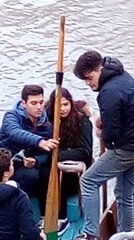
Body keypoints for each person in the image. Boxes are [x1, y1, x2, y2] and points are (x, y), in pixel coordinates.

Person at [73, 51, 134, 240]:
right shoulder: (123, 76)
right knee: (124, 193)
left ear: (99, 69)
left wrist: (102, 133)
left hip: (128, 148)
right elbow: (122, 111)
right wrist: (107, 119)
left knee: (88, 181)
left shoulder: (108, 92)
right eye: (84, 80)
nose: (88, 83)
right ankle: (125, 235)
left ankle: (91, 234)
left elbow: (112, 134)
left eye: (89, 78)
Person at [0, 84, 59, 212]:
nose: (39, 107)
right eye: (34, 103)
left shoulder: (47, 126)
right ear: (24, 103)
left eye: (41, 102)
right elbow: (15, 132)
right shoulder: (11, 116)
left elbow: (46, 153)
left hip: (23, 164)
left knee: (32, 175)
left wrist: (36, 160)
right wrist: (39, 141)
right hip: (2, 160)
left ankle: (22, 208)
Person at [44, 88, 93, 221]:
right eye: (58, 105)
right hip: (53, 161)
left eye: (65, 104)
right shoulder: (48, 120)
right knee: (42, 174)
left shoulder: (82, 122)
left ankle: (62, 217)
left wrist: (59, 155)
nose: (63, 109)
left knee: (66, 180)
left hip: (73, 163)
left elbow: (85, 152)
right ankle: (45, 215)